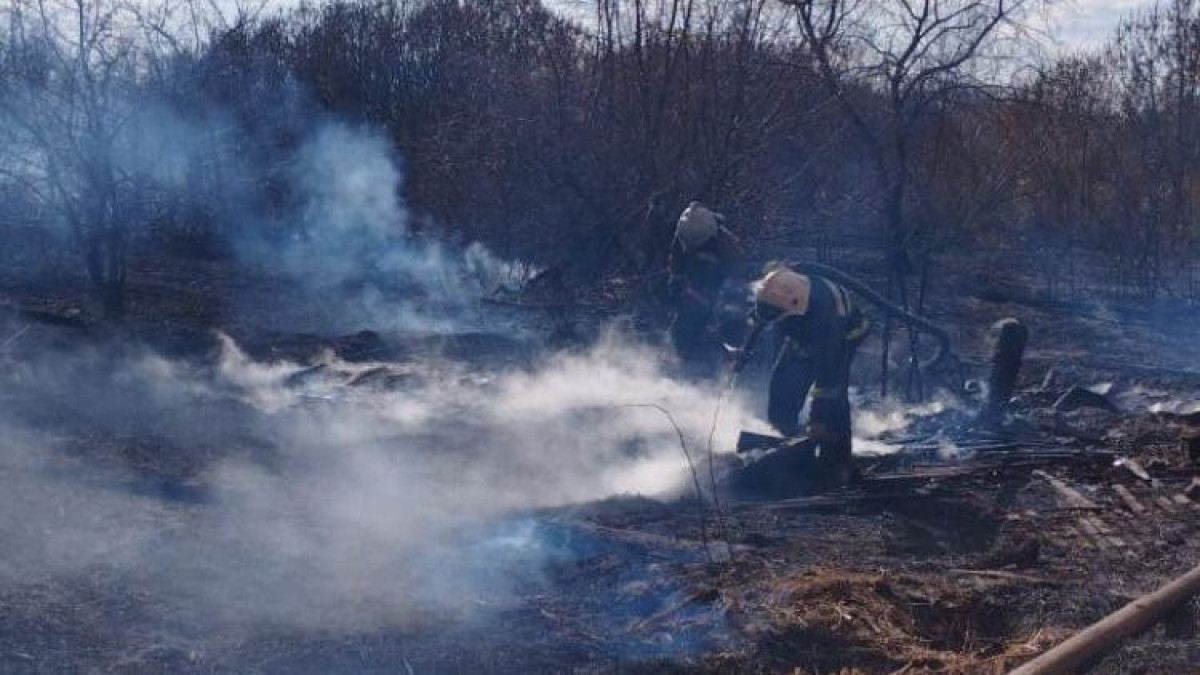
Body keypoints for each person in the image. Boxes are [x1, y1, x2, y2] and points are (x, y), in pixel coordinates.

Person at [732, 264, 871, 483]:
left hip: (844, 335)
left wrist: (817, 419)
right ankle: (786, 448)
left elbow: (829, 375)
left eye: (777, 314)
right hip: (803, 334)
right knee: (782, 385)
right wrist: (744, 351)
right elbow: (761, 318)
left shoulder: (825, 317)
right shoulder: (778, 294)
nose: (772, 317)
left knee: (833, 403)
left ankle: (836, 466)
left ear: (794, 306)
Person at [666, 201, 744, 364]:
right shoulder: (681, 237)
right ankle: (679, 356)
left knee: (729, 324)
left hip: (722, 288)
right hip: (694, 287)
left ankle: (728, 358)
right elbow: (676, 264)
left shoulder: (726, 245)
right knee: (684, 322)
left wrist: (724, 298)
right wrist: (677, 280)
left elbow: (736, 272)